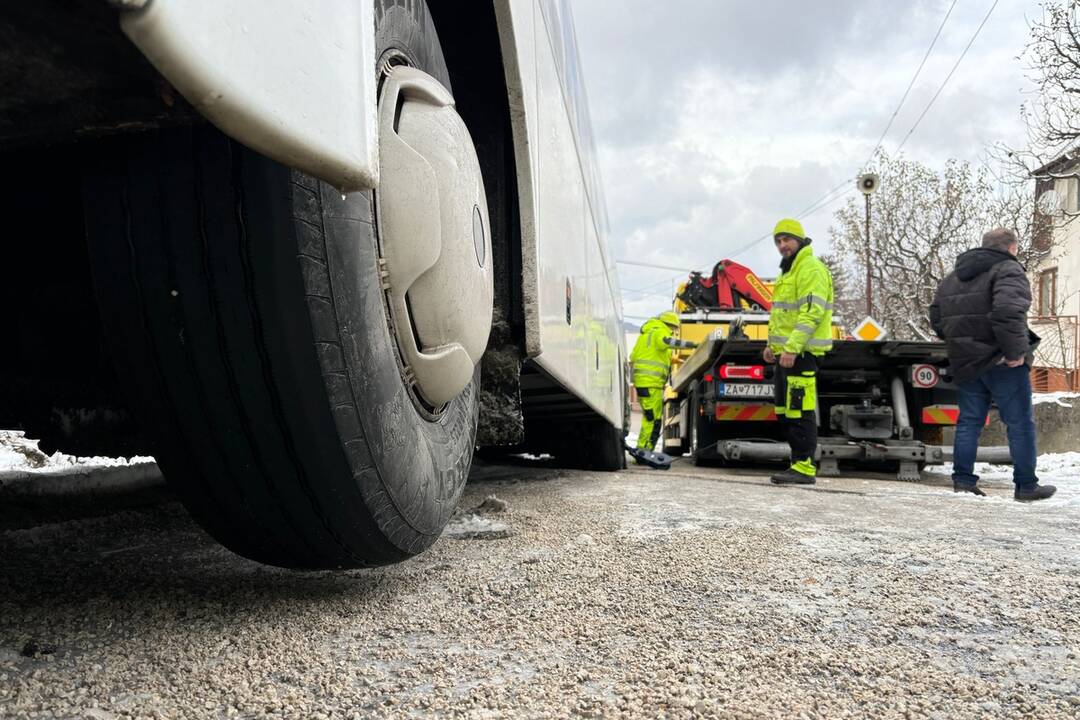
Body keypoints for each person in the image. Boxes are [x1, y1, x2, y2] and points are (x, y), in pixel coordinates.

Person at [929, 228, 1056, 501]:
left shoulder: (954, 277)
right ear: (1011, 248)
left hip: (966, 362)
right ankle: (1026, 485)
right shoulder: (1008, 270)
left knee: (968, 424)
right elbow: (1008, 312)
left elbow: (937, 317)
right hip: (1002, 362)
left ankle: (963, 481)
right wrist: (1014, 354)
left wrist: (961, 344)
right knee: (1020, 423)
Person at [763, 219, 834, 485]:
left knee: (799, 410)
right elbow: (783, 316)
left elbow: (812, 313)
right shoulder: (789, 272)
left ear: (800, 239)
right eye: (778, 241)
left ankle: (804, 467)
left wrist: (791, 347)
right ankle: (797, 463)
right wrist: (773, 348)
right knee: (785, 410)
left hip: (802, 354)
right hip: (788, 354)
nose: (782, 245)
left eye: (787, 240)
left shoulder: (810, 268)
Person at [630, 311, 695, 455]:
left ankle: (642, 450)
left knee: (649, 419)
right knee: (653, 421)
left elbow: (635, 356)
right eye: (673, 329)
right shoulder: (660, 331)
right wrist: (692, 345)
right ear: (669, 325)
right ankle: (644, 452)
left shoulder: (646, 335)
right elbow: (668, 342)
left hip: (644, 384)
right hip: (651, 384)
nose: (673, 332)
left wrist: (672, 360)